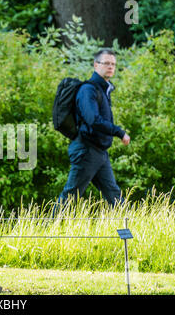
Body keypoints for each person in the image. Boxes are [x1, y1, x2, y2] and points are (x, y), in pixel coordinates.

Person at [55, 49, 130, 212]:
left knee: (114, 195)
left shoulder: (103, 90)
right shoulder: (88, 90)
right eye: (106, 63)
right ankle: (48, 231)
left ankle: (133, 231)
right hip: (86, 150)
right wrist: (119, 132)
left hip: (99, 152)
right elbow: (92, 119)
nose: (110, 67)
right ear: (96, 65)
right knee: (70, 196)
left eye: (113, 64)